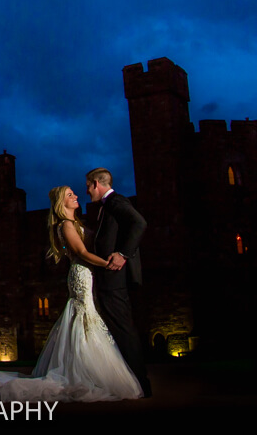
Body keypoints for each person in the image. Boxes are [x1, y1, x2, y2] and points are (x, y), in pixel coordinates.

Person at [0, 186, 143, 402]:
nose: (75, 196)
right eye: (70, 195)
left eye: (73, 194)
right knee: (83, 318)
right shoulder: (65, 225)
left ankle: (86, 372)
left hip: (88, 275)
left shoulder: (75, 224)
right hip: (81, 274)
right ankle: (81, 374)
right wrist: (109, 264)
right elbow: (82, 253)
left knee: (86, 320)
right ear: (61, 204)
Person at [86, 167, 152, 397]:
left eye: (88, 186)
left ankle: (140, 383)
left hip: (115, 278)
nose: (87, 192)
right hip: (109, 278)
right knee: (117, 329)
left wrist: (122, 253)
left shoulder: (116, 201)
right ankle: (128, 380)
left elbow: (139, 223)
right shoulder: (108, 206)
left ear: (96, 184)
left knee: (123, 329)